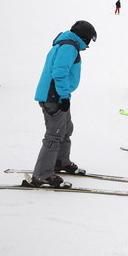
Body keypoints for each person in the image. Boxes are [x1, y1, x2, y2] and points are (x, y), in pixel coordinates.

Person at [28, 20, 97, 187]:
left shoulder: (67, 44)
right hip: (55, 97)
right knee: (54, 135)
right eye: (88, 40)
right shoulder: (69, 47)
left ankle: (60, 161)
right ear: (84, 37)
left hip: (58, 96)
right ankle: (42, 174)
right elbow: (59, 72)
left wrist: (65, 96)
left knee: (65, 129)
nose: (87, 45)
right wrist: (64, 96)